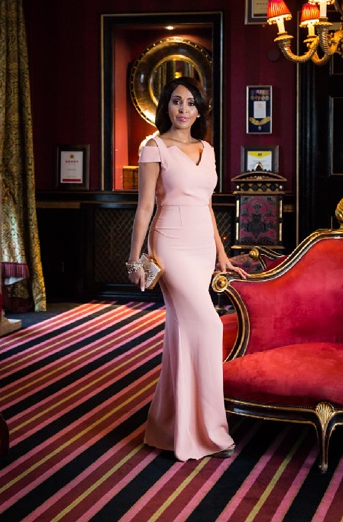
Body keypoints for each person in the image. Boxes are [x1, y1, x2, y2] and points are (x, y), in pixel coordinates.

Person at [127, 75, 246, 461]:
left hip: (200, 245)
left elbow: (207, 205)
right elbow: (145, 207)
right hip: (170, 244)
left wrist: (222, 254)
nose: (183, 109)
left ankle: (167, 427)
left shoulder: (207, 149)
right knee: (209, 326)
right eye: (177, 101)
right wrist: (134, 259)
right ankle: (212, 433)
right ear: (167, 106)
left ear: (200, 110)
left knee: (180, 334)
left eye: (191, 102)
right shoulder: (153, 148)